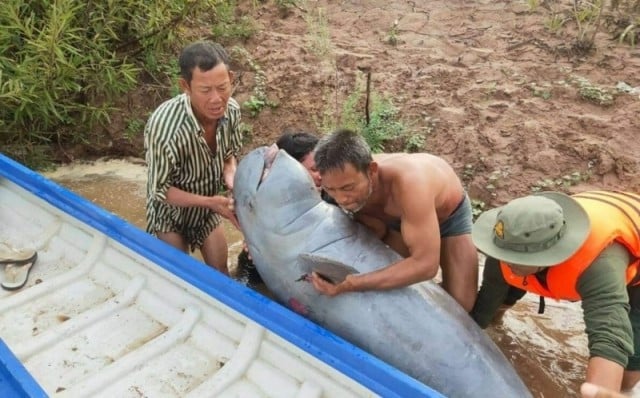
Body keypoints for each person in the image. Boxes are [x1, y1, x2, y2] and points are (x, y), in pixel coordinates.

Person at [470, 190, 640, 394]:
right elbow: (482, 313)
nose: (505, 262)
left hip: (628, 261)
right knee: (497, 304)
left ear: (545, 257)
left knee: (626, 379)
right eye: (502, 255)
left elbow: (610, 336)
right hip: (605, 208)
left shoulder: (598, 266)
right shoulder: (509, 241)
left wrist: (600, 390)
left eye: (515, 260)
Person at [309, 128, 478, 312]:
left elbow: (426, 266)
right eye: (332, 190)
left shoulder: (411, 183)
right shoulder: (340, 180)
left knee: (461, 306)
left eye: (348, 188)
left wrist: (351, 284)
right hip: (394, 221)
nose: (341, 199)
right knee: (386, 282)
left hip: (448, 218)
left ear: (372, 171)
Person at [144, 41, 242, 275]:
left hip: (208, 210)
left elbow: (229, 156)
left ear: (230, 77)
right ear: (185, 86)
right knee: (180, 277)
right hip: (169, 213)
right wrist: (211, 202)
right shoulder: (165, 127)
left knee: (221, 274)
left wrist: (232, 181)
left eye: (222, 87)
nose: (217, 99)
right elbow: (160, 190)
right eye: (205, 90)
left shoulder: (233, 111)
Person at [236, 131, 325, 285]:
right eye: (314, 169)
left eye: (324, 168)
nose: (321, 176)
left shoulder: (333, 193)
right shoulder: (269, 200)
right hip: (257, 269)